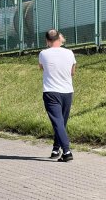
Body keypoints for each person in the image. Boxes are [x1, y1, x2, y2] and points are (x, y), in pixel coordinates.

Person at [39, 29, 76, 162]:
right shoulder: (69, 53)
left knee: (57, 122)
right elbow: (72, 72)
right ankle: (56, 148)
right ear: (59, 38)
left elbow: (41, 68)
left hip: (51, 91)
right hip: (67, 91)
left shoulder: (43, 53)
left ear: (47, 41)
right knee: (61, 122)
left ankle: (66, 151)